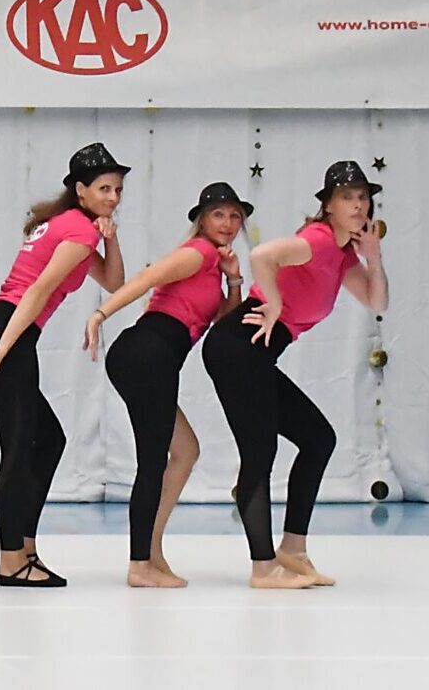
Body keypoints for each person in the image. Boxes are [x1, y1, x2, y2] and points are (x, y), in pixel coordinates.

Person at [203, 160, 389, 589]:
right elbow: (261, 255)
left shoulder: (341, 256)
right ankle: (263, 567)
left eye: (363, 197)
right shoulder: (318, 240)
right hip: (237, 345)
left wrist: (374, 257)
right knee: (260, 451)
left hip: (253, 353)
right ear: (328, 206)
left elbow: (377, 301)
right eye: (347, 197)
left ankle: (293, 550)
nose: (358, 205)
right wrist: (272, 302)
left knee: (318, 439)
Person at [0, 143, 127, 588]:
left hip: (5, 330)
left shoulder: (71, 225)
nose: (113, 197)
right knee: (19, 447)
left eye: (117, 189)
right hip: (7, 332)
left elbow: (113, 281)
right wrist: (3, 349)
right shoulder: (77, 230)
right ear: (80, 189)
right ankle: (11, 561)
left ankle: (25, 548)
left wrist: (111, 237)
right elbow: (37, 290)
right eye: (104, 189)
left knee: (48, 439)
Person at [84, 181, 250, 588]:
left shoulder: (213, 266)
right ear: (202, 220)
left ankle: (151, 550)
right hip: (148, 354)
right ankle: (139, 563)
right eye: (218, 214)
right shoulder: (198, 252)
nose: (228, 223)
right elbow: (146, 278)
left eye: (234, 216)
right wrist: (101, 314)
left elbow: (224, 324)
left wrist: (234, 282)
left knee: (185, 450)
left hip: (149, 358)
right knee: (153, 459)